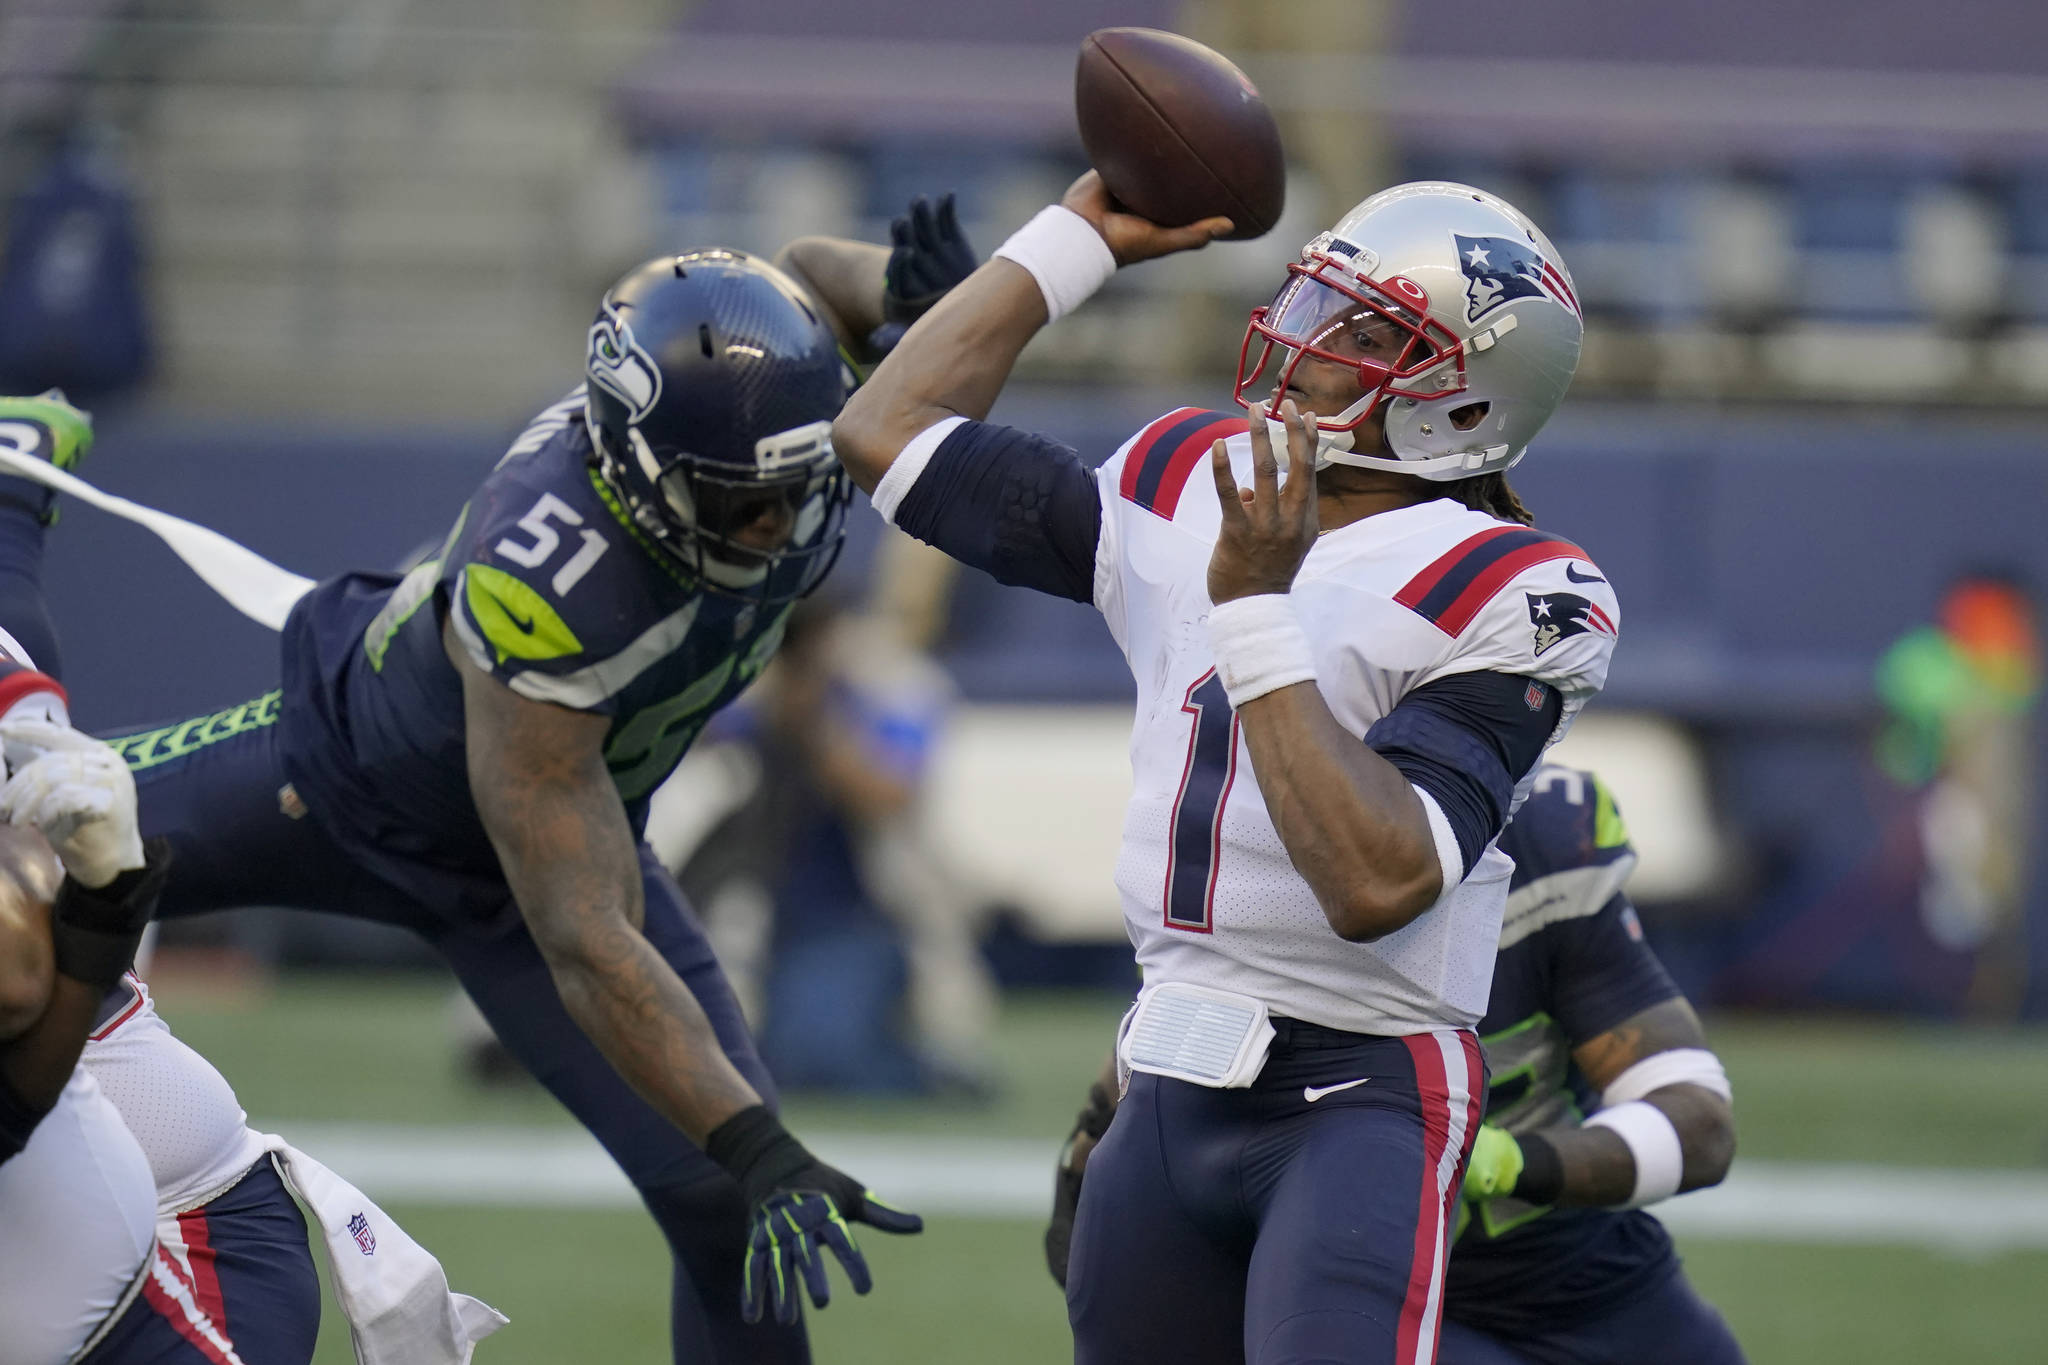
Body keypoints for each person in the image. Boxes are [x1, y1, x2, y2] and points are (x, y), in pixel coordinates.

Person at [0, 197, 977, 1360]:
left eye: (791, 485)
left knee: (729, 1209)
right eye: (742, 501)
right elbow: (582, 932)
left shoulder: (734, 423)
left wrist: (920, 290)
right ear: (637, 473)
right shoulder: (551, 577)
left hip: (552, 842)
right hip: (341, 787)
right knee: (35, 841)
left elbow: (812, 280)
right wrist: (755, 1136)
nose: (778, 523)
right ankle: (11, 494)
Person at [834, 173, 1617, 1364]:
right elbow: (886, 430)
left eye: (1364, 334)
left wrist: (1251, 611)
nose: (1300, 343)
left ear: (1462, 404)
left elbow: (1377, 882)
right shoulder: (1186, 470)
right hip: (1169, 1065)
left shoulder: (1514, 584)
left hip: (1363, 1091)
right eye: (1313, 304)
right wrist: (1074, 239)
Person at [1045, 763, 1746, 1365]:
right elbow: (1156, 1057)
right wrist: (1100, 1143)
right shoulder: (1261, 835)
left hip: (1580, 1272)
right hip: (1371, 1279)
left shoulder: (1540, 840)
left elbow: (1700, 1124)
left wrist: (1507, 1162)